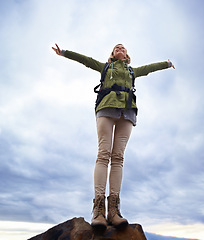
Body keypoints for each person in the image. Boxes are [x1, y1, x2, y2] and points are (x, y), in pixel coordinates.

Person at [52, 43, 175, 230]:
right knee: (104, 154)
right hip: (106, 107)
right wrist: (64, 53)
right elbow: (85, 60)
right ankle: (98, 211)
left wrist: (166, 64)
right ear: (112, 54)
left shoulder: (132, 71)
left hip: (127, 111)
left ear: (126, 56)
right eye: (117, 48)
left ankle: (114, 211)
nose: (120, 49)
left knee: (118, 158)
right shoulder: (105, 67)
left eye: (123, 48)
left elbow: (150, 68)